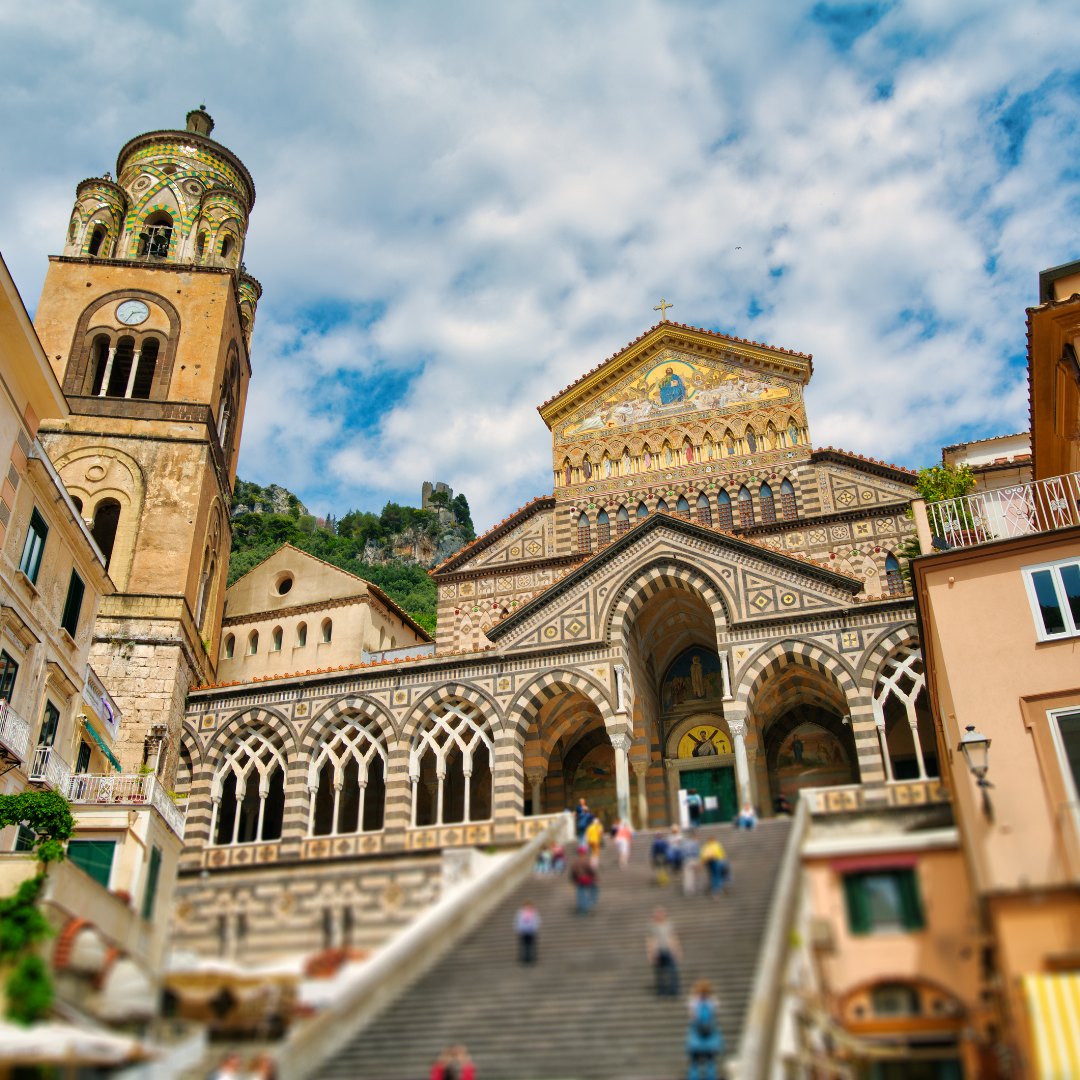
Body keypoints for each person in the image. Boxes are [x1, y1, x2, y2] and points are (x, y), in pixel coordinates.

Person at [685, 980, 725, 1080]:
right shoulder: (712, 1002)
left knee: (694, 1061)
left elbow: (692, 1016)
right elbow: (716, 1013)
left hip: (696, 1034)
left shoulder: (694, 1002)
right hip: (710, 1033)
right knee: (710, 1060)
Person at [646, 906, 682, 996]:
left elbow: (674, 938)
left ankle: (675, 990)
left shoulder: (669, 925)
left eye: (661, 913)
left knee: (673, 971)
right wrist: (651, 954)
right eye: (658, 914)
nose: (660, 915)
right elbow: (649, 941)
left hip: (669, 950)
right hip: (658, 952)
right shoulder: (652, 927)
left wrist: (677, 951)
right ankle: (662, 991)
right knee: (660, 973)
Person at [570, 844, 598, 914]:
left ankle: (581, 910)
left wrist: (573, 879)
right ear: (585, 852)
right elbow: (590, 869)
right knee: (594, 891)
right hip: (588, 879)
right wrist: (595, 876)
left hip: (579, 879)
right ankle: (588, 903)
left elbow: (573, 870)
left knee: (580, 894)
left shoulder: (575, 861)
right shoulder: (587, 860)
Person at [681, 828, 701, 897]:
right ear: (694, 837)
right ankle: (695, 890)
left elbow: (682, 852)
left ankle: (688, 890)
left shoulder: (685, 843)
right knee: (695, 875)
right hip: (694, 860)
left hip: (686, 860)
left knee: (688, 876)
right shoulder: (695, 843)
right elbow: (698, 853)